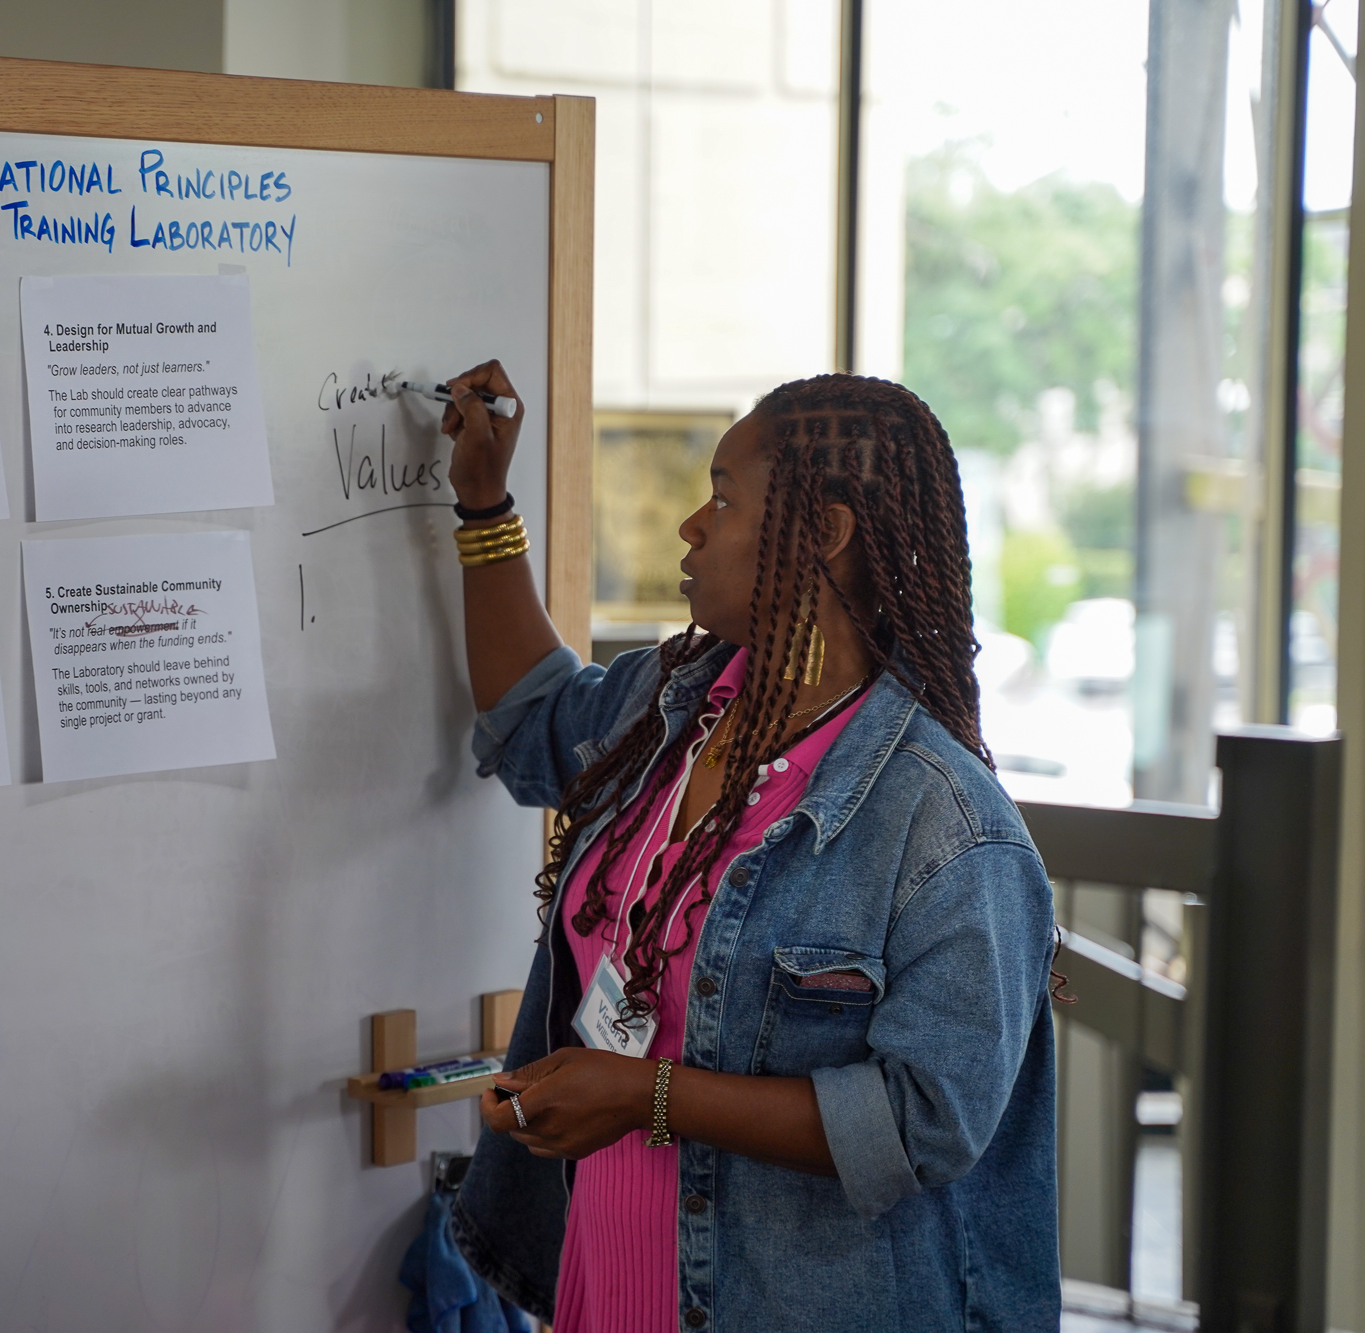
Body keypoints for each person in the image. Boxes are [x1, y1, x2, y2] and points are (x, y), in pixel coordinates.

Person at [439, 363, 1059, 1331]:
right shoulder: (670, 709)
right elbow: (531, 717)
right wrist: (484, 506)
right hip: (604, 1285)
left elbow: (922, 1122)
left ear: (824, 532)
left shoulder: (943, 824)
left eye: (724, 497)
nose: (692, 526)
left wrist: (648, 1096)